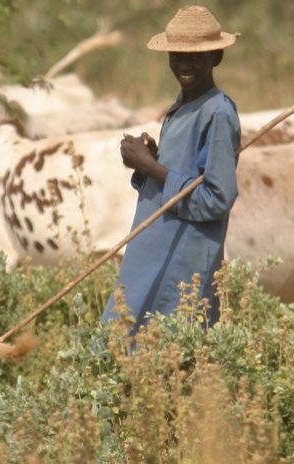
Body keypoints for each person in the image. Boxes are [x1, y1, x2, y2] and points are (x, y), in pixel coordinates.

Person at [101, 5, 241, 335]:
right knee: (120, 344)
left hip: (183, 259)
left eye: (195, 57)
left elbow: (216, 199)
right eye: (177, 56)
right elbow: (181, 175)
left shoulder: (218, 113)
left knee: (162, 349)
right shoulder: (181, 105)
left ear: (216, 57)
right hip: (153, 248)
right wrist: (148, 161)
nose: (184, 64)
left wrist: (151, 166)